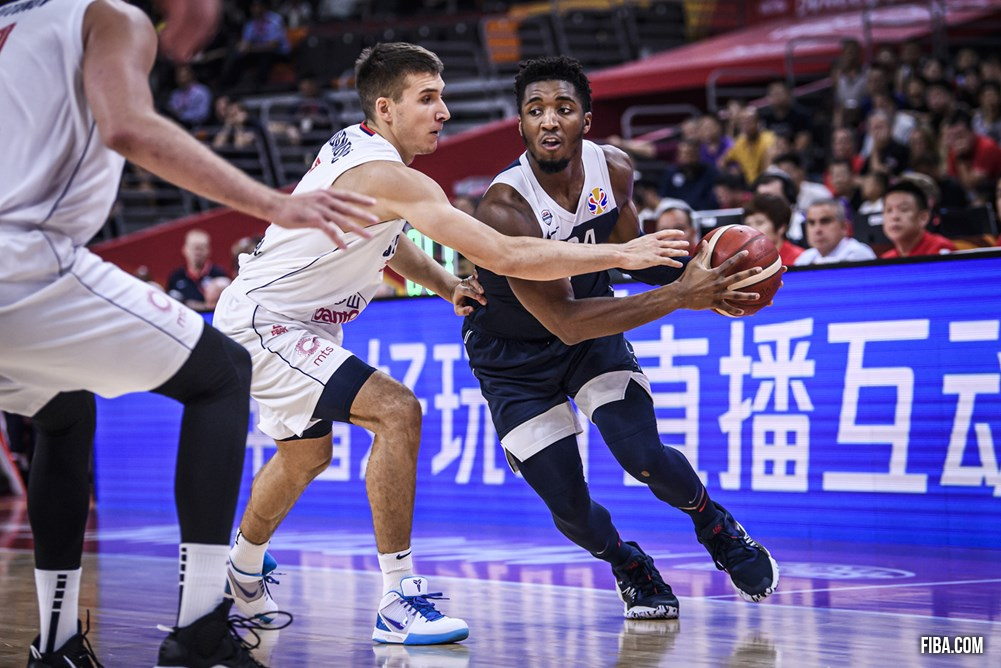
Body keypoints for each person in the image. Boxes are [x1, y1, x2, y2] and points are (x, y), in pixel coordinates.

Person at [211, 42, 683, 650]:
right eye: (428, 98)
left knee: (306, 457)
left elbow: (388, 235)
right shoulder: (387, 176)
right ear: (386, 108)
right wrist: (624, 253)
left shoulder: (360, 150)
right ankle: (397, 599)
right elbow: (506, 254)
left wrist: (442, 284)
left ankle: (242, 569)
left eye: (443, 97)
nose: (444, 112)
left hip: (287, 320)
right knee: (397, 411)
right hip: (267, 323)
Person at [0, 0, 377, 666]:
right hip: (24, 260)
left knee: (62, 411)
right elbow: (128, 127)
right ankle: (199, 630)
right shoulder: (111, 16)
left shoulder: (19, 23)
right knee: (222, 373)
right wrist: (274, 203)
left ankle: (56, 646)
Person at [462, 56, 779, 623]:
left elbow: (637, 258)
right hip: (515, 359)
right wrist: (682, 296)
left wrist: (708, 270)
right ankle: (627, 562)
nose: (549, 120)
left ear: (586, 120)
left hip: (592, 336)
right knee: (570, 508)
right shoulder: (506, 209)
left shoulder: (612, 169)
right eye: (535, 110)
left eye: (563, 108)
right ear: (521, 125)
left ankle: (714, 524)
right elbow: (564, 320)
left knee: (643, 456)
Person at [881, 180, 957, 258]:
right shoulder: (887, 258)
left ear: (923, 218)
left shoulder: (940, 249)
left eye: (904, 209)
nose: (894, 217)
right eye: (889, 210)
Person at [794, 199, 876, 265]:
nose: (817, 230)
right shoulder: (804, 259)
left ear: (844, 227)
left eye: (825, 221)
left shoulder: (858, 255)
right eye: (811, 223)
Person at [167, 229, 232, 311]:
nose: (197, 253)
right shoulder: (175, 277)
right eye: (193, 248)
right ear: (184, 250)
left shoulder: (219, 274)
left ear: (208, 250)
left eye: (201, 248)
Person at [742, 193, 803, 266]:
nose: (751, 230)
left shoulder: (801, 259)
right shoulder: (745, 261)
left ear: (781, 227)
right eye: (748, 224)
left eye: (759, 223)